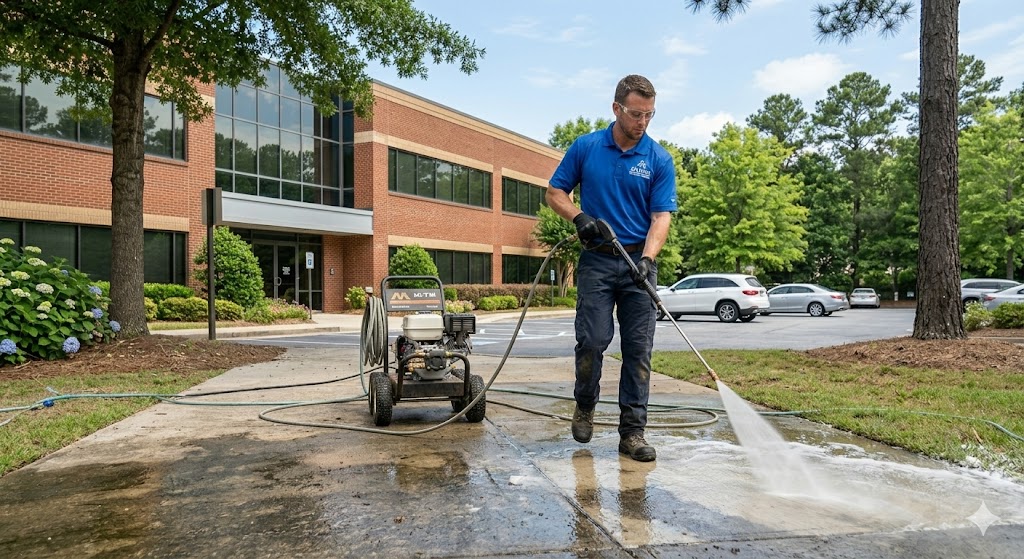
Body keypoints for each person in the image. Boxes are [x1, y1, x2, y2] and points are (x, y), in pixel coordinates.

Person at [546, 74, 677, 462]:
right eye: (636, 114)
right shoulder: (587, 147)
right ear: (617, 108)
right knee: (593, 341)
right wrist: (579, 217)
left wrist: (648, 259)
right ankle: (585, 404)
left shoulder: (658, 158)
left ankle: (632, 433)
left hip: (639, 262)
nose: (643, 122)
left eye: (650, 115)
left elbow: (661, 217)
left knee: (639, 351)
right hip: (599, 261)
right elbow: (555, 192)